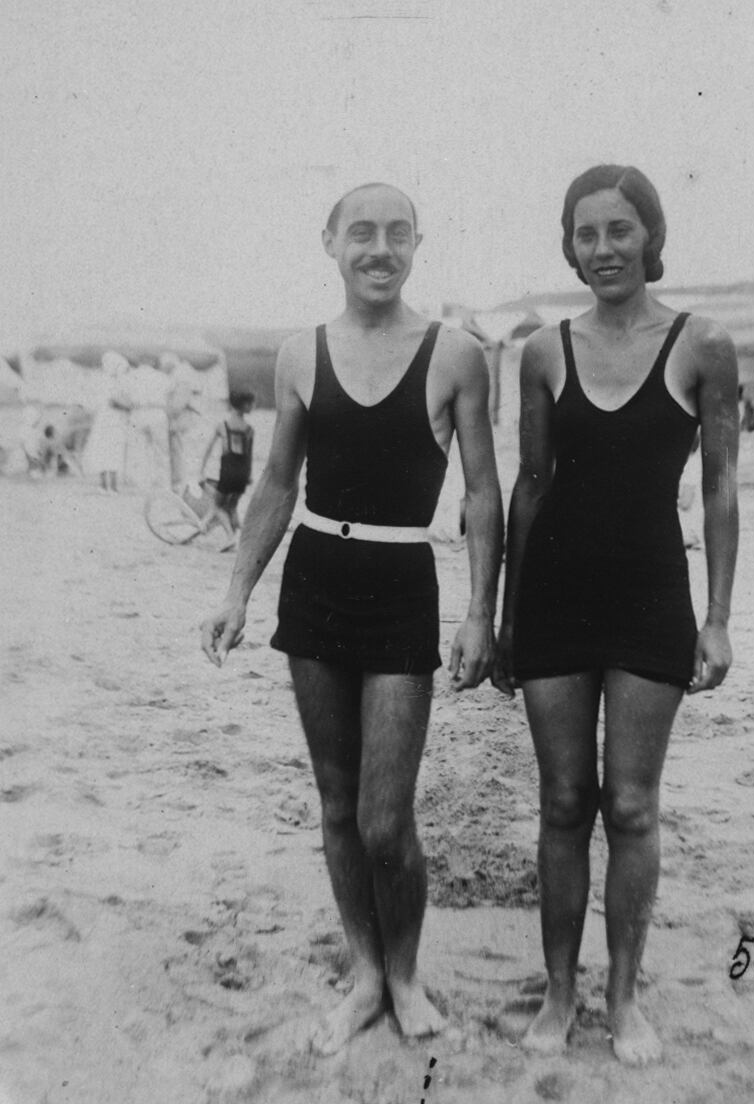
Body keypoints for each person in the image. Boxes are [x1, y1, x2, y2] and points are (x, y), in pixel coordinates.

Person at [200, 183, 503, 1055]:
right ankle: (367, 974)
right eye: (360, 233)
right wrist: (236, 593)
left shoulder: (457, 356)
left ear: (418, 245)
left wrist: (481, 611)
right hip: (316, 579)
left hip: (403, 581)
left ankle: (406, 975)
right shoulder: (300, 354)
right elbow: (275, 486)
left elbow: (483, 493)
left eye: (397, 234)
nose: (379, 249)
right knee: (336, 806)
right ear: (329, 242)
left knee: (384, 818)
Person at [492, 164, 739, 1065]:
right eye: (585, 233)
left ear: (651, 237)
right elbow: (529, 486)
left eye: (619, 230)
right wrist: (512, 617)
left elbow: (719, 485)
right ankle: (560, 991)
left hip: (649, 597)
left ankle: (623, 996)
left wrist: (717, 618)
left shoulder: (703, 344)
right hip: (555, 595)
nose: (602, 249)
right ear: (570, 244)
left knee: (631, 806)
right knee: (563, 802)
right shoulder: (544, 351)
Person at [198, 389, 256, 548]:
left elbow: (208, 449)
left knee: (217, 506)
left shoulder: (223, 426)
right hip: (243, 474)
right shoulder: (249, 429)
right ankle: (247, 537)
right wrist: (249, 475)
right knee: (232, 507)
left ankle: (230, 536)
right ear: (244, 405)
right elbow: (248, 456)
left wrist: (201, 471)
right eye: (251, 403)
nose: (253, 406)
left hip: (228, 472)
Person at [82, 351, 132, 491]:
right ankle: (109, 487)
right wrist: (130, 407)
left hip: (109, 420)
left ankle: (108, 486)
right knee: (109, 452)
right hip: (110, 421)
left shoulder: (106, 380)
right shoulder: (109, 382)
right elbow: (115, 402)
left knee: (109, 453)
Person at [162, 352, 204, 491]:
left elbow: (178, 403)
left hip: (181, 420)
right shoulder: (183, 373)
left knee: (179, 453)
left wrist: (168, 414)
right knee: (180, 453)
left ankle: (180, 484)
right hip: (182, 419)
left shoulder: (180, 376)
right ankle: (181, 483)